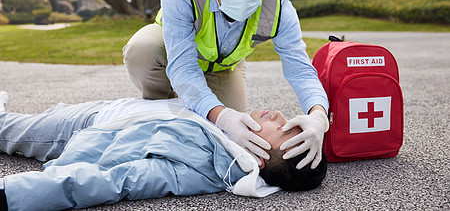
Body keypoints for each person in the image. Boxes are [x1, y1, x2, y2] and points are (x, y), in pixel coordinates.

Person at [123, 0, 329, 171]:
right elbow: (184, 68)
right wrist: (220, 115)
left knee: (238, 138)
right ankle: (158, 113)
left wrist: (318, 115)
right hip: (172, 55)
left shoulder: (279, 3)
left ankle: (197, 104)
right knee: (143, 50)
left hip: (225, 67)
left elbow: (300, 68)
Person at [0, 92, 326, 211]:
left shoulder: (197, 170)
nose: (282, 116)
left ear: (259, 158)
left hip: (88, 128)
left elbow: (115, 182)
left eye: (284, 130)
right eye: (295, 122)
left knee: (8, 128)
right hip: (118, 109)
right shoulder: (233, 132)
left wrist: (10, 194)